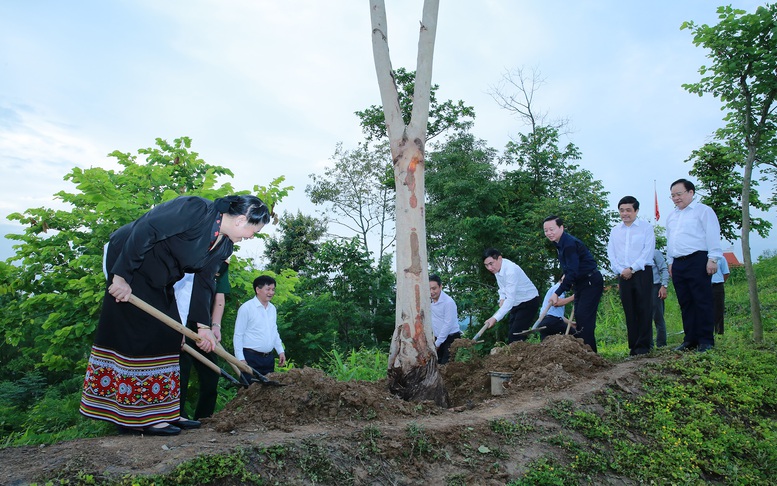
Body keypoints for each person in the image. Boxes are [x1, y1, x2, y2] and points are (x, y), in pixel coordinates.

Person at [81, 195, 271, 436]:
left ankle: (166, 411)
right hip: (131, 263)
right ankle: (137, 416)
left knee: (172, 336)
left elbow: (205, 283)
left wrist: (203, 327)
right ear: (241, 219)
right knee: (143, 335)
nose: (251, 237)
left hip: (162, 279)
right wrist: (120, 275)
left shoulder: (224, 244)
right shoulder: (196, 210)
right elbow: (146, 227)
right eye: (253, 231)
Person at [665, 178, 723, 352]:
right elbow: (670, 241)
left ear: (691, 192)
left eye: (679, 194)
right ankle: (690, 339)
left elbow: (712, 234)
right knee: (686, 302)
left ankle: (706, 340)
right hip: (678, 262)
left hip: (698, 259)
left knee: (702, 300)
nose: (676, 198)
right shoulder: (672, 216)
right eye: (673, 195)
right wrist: (670, 262)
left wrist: (713, 258)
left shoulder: (703, 211)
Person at [175, 260, 230, 420]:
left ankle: (205, 417)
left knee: (212, 372)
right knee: (181, 372)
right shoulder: (191, 257)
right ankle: (178, 416)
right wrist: (180, 328)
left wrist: (215, 326)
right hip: (182, 321)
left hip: (204, 325)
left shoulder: (222, 263)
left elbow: (219, 299)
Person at [543, 216, 604, 353]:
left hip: (590, 281)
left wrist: (557, 292)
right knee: (581, 318)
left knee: (584, 319)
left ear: (561, 227)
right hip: (581, 283)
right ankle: (588, 354)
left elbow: (572, 272)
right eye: (546, 230)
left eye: (551, 229)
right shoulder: (559, 243)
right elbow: (570, 268)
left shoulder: (569, 244)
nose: (549, 233)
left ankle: (591, 355)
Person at [607, 196, 655, 356]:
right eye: (622, 210)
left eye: (628, 210)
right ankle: (633, 347)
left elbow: (647, 252)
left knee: (644, 309)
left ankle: (644, 346)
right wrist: (621, 270)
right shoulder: (615, 231)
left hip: (642, 273)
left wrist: (632, 269)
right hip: (623, 275)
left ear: (636, 211)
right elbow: (611, 254)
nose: (625, 213)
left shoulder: (646, 228)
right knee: (630, 310)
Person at [482, 248, 540, 343]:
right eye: (486, 265)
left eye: (491, 263)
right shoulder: (497, 270)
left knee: (515, 336)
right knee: (512, 332)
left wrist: (495, 318)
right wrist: (501, 298)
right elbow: (502, 288)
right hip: (516, 303)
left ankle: (519, 357)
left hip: (528, 302)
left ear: (499, 258)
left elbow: (510, 299)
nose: (489, 268)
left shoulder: (510, 270)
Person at [233, 275, 287, 379]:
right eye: (268, 289)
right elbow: (238, 334)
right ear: (258, 289)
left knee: (267, 391)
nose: (271, 293)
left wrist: (280, 350)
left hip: (268, 359)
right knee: (250, 391)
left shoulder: (272, 309)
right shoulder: (246, 308)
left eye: (273, 289)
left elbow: (274, 331)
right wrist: (240, 359)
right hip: (250, 358)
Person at [429, 274, 461, 364]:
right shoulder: (428, 300)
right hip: (437, 338)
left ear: (440, 287)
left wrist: (437, 344)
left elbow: (448, 324)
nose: (431, 292)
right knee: (435, 365)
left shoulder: (448, 302)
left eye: (434, 288)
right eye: (429, 289)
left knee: (446, 366)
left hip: (451, 338)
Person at [534, 276, 576, 341]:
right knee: (575, 335)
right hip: (552, 322)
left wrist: (570, 323)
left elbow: (556, 314)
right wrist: (573, 297)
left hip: (544, 322)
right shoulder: (558, 289)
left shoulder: (553, 289)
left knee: (545, 345)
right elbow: (556, 303)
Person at [651, 249, 669, 348]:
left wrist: (664, 286)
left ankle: (661, 344)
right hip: (643, 288)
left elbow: (664, 269)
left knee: (658, 316)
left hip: (655, 286)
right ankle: (648, 344)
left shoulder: (655, 252)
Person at [711, 255, 730, 335]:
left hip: (717, 285)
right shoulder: (701, 257)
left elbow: (726, 273)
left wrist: (720, 280)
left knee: (718, 310)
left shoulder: (720, 258)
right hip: (703, 286)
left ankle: (719, 333)